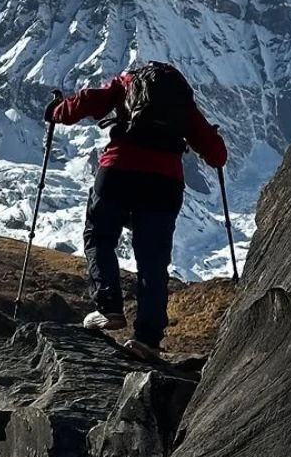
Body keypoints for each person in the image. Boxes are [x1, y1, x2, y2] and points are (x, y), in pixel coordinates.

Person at [44, 61, 227, 359]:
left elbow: (86, 102)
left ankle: (109, 308)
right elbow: (216, 155)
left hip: (118, 170)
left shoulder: (126, 82)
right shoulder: (183, 101)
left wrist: (56, 110)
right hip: (165, 182)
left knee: (100, 237)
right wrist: (214, 141)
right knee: (153, 260)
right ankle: (147, 339)